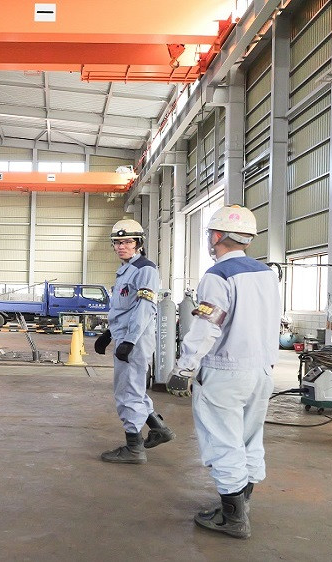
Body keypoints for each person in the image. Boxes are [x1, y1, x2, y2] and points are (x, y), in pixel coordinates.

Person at [167, 205, 281, 539]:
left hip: (225, 371)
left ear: (216, 236)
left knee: (222, 441)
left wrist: (184, 368)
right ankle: (242, 504)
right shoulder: (266, 274)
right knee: (249, 438)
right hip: (262, 370)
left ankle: (233, 518)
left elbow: (207, 326)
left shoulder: (218, 276)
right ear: (248, 238)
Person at [94, 219, 175, 464]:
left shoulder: (144, 269)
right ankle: (158, 428)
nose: (121, 246)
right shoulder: (126, 270)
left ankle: (134, 448)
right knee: (134, 388)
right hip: (125, 335)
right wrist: (109, 334)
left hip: (135, 339)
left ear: (138, 243)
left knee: (127, 391)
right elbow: (125, 310)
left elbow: (144, 308)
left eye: (127, 241)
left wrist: (128, 341)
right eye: (117, 242)